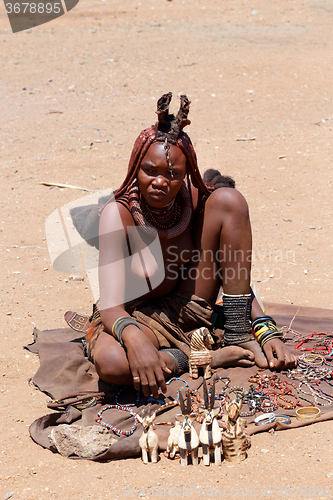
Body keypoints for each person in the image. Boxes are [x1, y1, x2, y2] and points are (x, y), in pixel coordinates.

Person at [85, 92, 296, 398]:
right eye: (150, 170)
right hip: (139, 317)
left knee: (230, 200)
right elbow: (111, 306)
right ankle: (203, 356)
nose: (160, 182)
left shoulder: (199, 201)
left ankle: (236, 334)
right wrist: (133, 337)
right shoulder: (117, 215)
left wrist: (263, 328)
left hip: (192, 307)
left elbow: (231, 270)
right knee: (114, 363)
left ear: (187, 172)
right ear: (135, 168)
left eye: (172, 174)